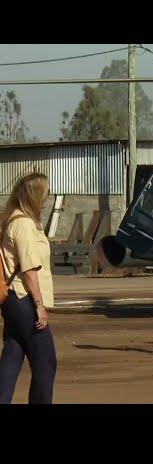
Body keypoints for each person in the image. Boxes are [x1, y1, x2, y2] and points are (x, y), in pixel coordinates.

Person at [0, 172, 57, 404]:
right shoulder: (23, 224)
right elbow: (29, 270)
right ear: (35, 196)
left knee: (12, 357)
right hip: (24, 299)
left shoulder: (13, 219)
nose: (47, 198)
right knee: (46, 362)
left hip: (13, 301)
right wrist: (39, 306)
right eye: (45, 193)